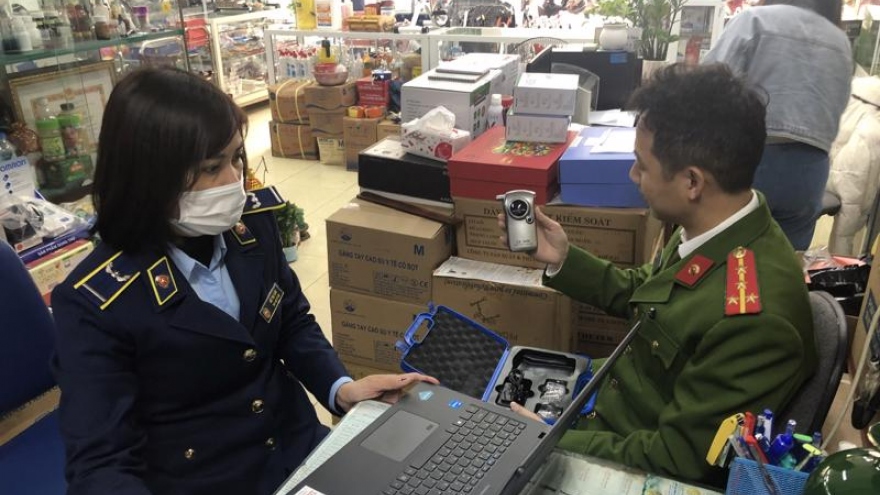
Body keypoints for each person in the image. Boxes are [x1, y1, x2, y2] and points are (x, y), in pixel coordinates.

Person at [50, 67, 437, 495]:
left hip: (298, 451)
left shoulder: (251, 228)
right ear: (148, 177)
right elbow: (101, 464)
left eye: (236, 157)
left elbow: (291, 321)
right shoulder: (97, 301)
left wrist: (341, 389)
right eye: (211, 168)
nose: (234, 181)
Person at [503, 64, 816, 486]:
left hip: (627, 459)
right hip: (604, 405)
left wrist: (544, 441)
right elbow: (651, 296)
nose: (633, 177)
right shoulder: (717, 226)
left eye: (641, 166)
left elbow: (676, 458)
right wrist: (563, 258)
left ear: (692, 181)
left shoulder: (755, 322)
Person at [702, 0, 852, 251]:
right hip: (811, 170)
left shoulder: (755, 21)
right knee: (785, 261)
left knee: (725, 258)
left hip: (750, 159)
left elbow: (706, 87)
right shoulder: (839, 40)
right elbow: (839, 103)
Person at [827, 76, 880, 255]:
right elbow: (854, 191)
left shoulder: (847, 105)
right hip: (848, 189)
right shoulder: (872, 130)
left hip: (823, 180)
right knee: (844, 236)